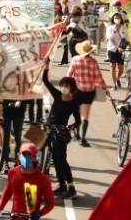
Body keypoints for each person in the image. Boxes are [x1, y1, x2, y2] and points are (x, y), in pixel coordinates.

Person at [42, 61, 80, 198]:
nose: (63, 87)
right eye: (62, 85)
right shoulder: (57, 95)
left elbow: (78, 121)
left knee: (60, 159)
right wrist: (46, 67)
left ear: (71, 88)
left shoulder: (73, 103)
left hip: (61, 133)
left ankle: (71, 187)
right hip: (48, 128)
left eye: (66, 85)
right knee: (36, 147)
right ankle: (61, 185)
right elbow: (45, 81)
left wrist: (70, 126)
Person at [66, 41, 110, 147]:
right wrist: (105, 88)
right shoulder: (93, 62)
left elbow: (69, 75)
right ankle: (83, 138)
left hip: (77, 91)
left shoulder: (75, 59)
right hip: (89, 91)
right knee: (85, 116)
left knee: (77, 113)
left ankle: (76, 133)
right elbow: (99, 78)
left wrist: (68, 88)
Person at [0, 142, 55, 218]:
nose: (26, 157)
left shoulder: (43, 179)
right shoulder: (12, 172)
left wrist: (39, 213)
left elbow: (50, 203)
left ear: (34, 157)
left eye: (29, 155)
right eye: (23, 154)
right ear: (19, 155)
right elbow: (8, 191)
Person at [105, 11, 130, 90]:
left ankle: (117, 78)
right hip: (112, 49)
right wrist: (117, 47)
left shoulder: (124, 28)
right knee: (112, 66)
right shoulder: (110, 28)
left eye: (118, 18)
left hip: (121, 51)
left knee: (121, 68)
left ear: (121, 19)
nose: (117, 19)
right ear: (113, 19)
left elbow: (127, 39)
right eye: (115, 18)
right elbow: (110, 39)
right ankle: (114, 84)